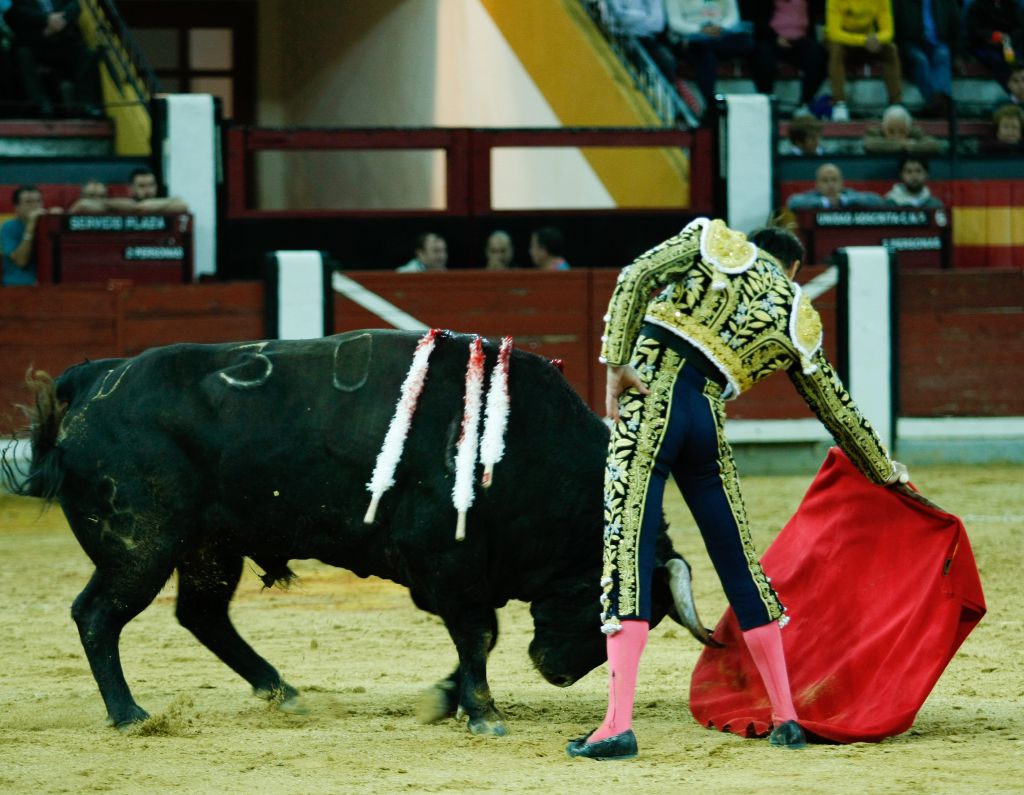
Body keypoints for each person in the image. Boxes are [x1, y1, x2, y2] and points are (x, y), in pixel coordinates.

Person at [565, 218, 909, 760]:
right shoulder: (794, 313)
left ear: (754, 246)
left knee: (628, 546)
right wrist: (887, 471)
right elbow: (837, 409)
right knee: (741, 560)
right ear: (792, 270)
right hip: (706, 416)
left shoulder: (713, 242)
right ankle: (786, 716)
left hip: (651, 390)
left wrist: (614, 364)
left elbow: (634, 276)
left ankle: (616, 725)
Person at [3, 0, 102, 119]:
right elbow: (15, 13)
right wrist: (47, 19)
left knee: (86, 53)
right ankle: (41, 104)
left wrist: (62, 21)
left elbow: (74, 6)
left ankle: (84, 105)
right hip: (35, 41)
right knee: (23, 53)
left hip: (60, 39)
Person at [664, 0, 755, 114]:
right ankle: (711, 106)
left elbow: (733, 17)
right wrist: (700, 30)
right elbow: (675, 23)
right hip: (689, 35)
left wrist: (718, 29)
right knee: (704, 55)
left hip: (721, 35)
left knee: (747, 42)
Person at [745, 0, 828, 117]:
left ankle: (805, 103)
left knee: (818, 55)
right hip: (771, 39)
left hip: (800, 40)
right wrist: (775, 38)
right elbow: (758, 23)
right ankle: (767, 101)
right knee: (762, 54)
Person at [825, 0, 902, 121]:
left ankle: (896, 104)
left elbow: (889, 32)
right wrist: (864, 40)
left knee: (891, 49)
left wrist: (877, 39)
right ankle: (839, 103)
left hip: (869, 43)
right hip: (846, 43)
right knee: (835, 49)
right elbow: (833, 33)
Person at [893, 0, 959, 118]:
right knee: (921, 60)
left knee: (943, 54)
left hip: (938, 43)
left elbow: (957, 29)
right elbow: (896, 29)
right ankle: (939, 105)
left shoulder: (947, 3)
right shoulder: (901, 3)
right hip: (911, 45)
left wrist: (958, 55)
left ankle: (938, 104)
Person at [601, 0, 678, 83]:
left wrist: (630, 21)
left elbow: (658, 24)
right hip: (619, 35)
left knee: (667, 61)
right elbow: (617, 15)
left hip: (645, 38)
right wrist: (645, 16)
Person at [1, 185, 63, 285]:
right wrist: (30, 226)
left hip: (49, 284)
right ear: (17, 207)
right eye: (28, 202)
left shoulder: (48, 225)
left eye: (38, 201)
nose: (35, 206)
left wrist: (60, 222)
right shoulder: (9, 227)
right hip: (18, 285)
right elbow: (21, 261)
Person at [964, 0, 1023, 90]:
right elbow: (974, 30)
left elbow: (1020, 27)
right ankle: (1014, 92)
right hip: (985, 46)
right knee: (997, 62)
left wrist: (1009, 39)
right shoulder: (978, 5)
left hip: (1010, 44)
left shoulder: (1012, 5)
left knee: (1015, 60)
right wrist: (993, 36)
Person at [786, 162, 884, 209]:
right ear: (817, 184)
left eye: (834, 180)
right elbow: (792, 202)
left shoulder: (848, 194)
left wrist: (845, 200)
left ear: (842, 183)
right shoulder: (812, 196)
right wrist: (825, 202)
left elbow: (877, 200)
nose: (830, 184)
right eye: (825, 180)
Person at [96, 167, 190, 214]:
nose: (148, 190)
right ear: (131, 189)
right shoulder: (123, 206)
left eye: (151, 185)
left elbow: (183, 205)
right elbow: (84, 205)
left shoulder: (163, 206)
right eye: (142, 186)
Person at [862, 104, 942, 154]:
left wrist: (911, 147)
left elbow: (933, 145)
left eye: (902, 131)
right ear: (883, 127)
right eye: (891, 131)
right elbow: (870, 145)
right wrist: (903, 145)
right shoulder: (874, 131)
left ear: (909, 129)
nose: (896, 136)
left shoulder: (914, 132)